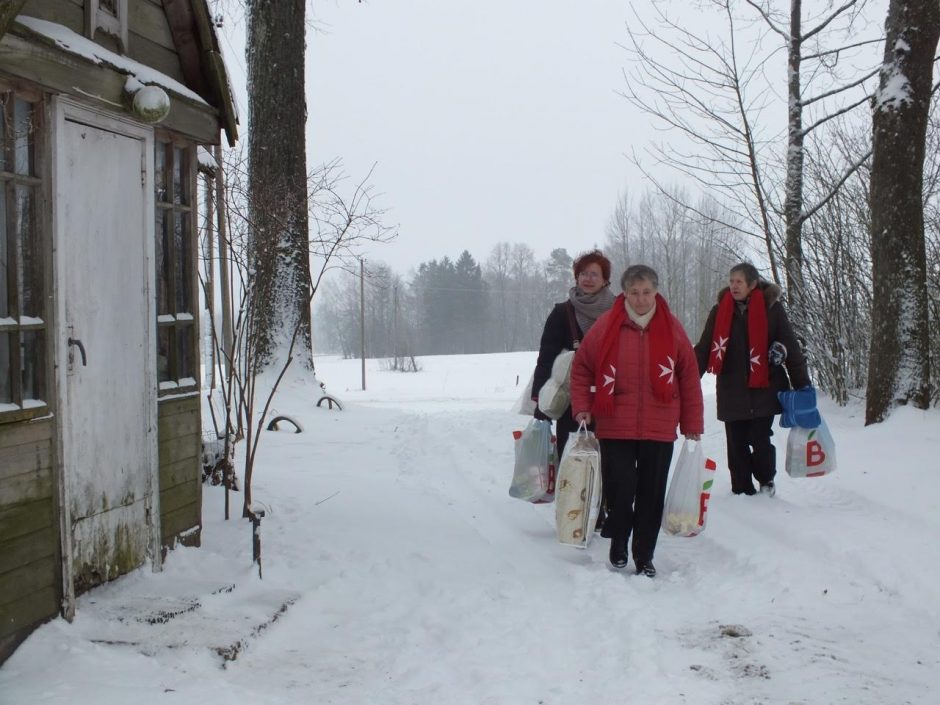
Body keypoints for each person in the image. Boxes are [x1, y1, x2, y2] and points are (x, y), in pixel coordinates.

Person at [570, 265, 703, 576]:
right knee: (620, 489)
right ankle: (619, 540)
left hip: (659, 426)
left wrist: (692, 423)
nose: (641, 300)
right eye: (634, 293)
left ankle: (644, 555)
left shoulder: (672, 328)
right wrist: (582, 407)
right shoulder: (607, 326)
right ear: (624, 293)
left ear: (656, 292)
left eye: (647, 293)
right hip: (615, 423)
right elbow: (582, 369)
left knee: (651, 494)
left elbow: (688, 376)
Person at [694, 262, 811, 497]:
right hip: (731, 389)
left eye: (739, 281)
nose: (734, 286)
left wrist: (803, 386)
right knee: (736, 444)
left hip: (764, 388)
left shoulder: (772, 310)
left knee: (760, 440)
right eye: (731, 281)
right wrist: (686, 382)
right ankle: (741, 489)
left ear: (752, 284)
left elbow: (790, 347)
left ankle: (766, 480)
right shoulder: (720, 311)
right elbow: (705, 348)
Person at [531, 249, 616, 462]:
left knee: (610, 462)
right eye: (583, 274)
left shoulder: (619, 311)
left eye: (594, 274)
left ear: (605, 279)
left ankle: (607, 497)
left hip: (613, 396)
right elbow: (546, 358)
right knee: (573, 463)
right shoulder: (562, 313)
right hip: (572, 400)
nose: (588, 279)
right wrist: (540, 400)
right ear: (576, 277)